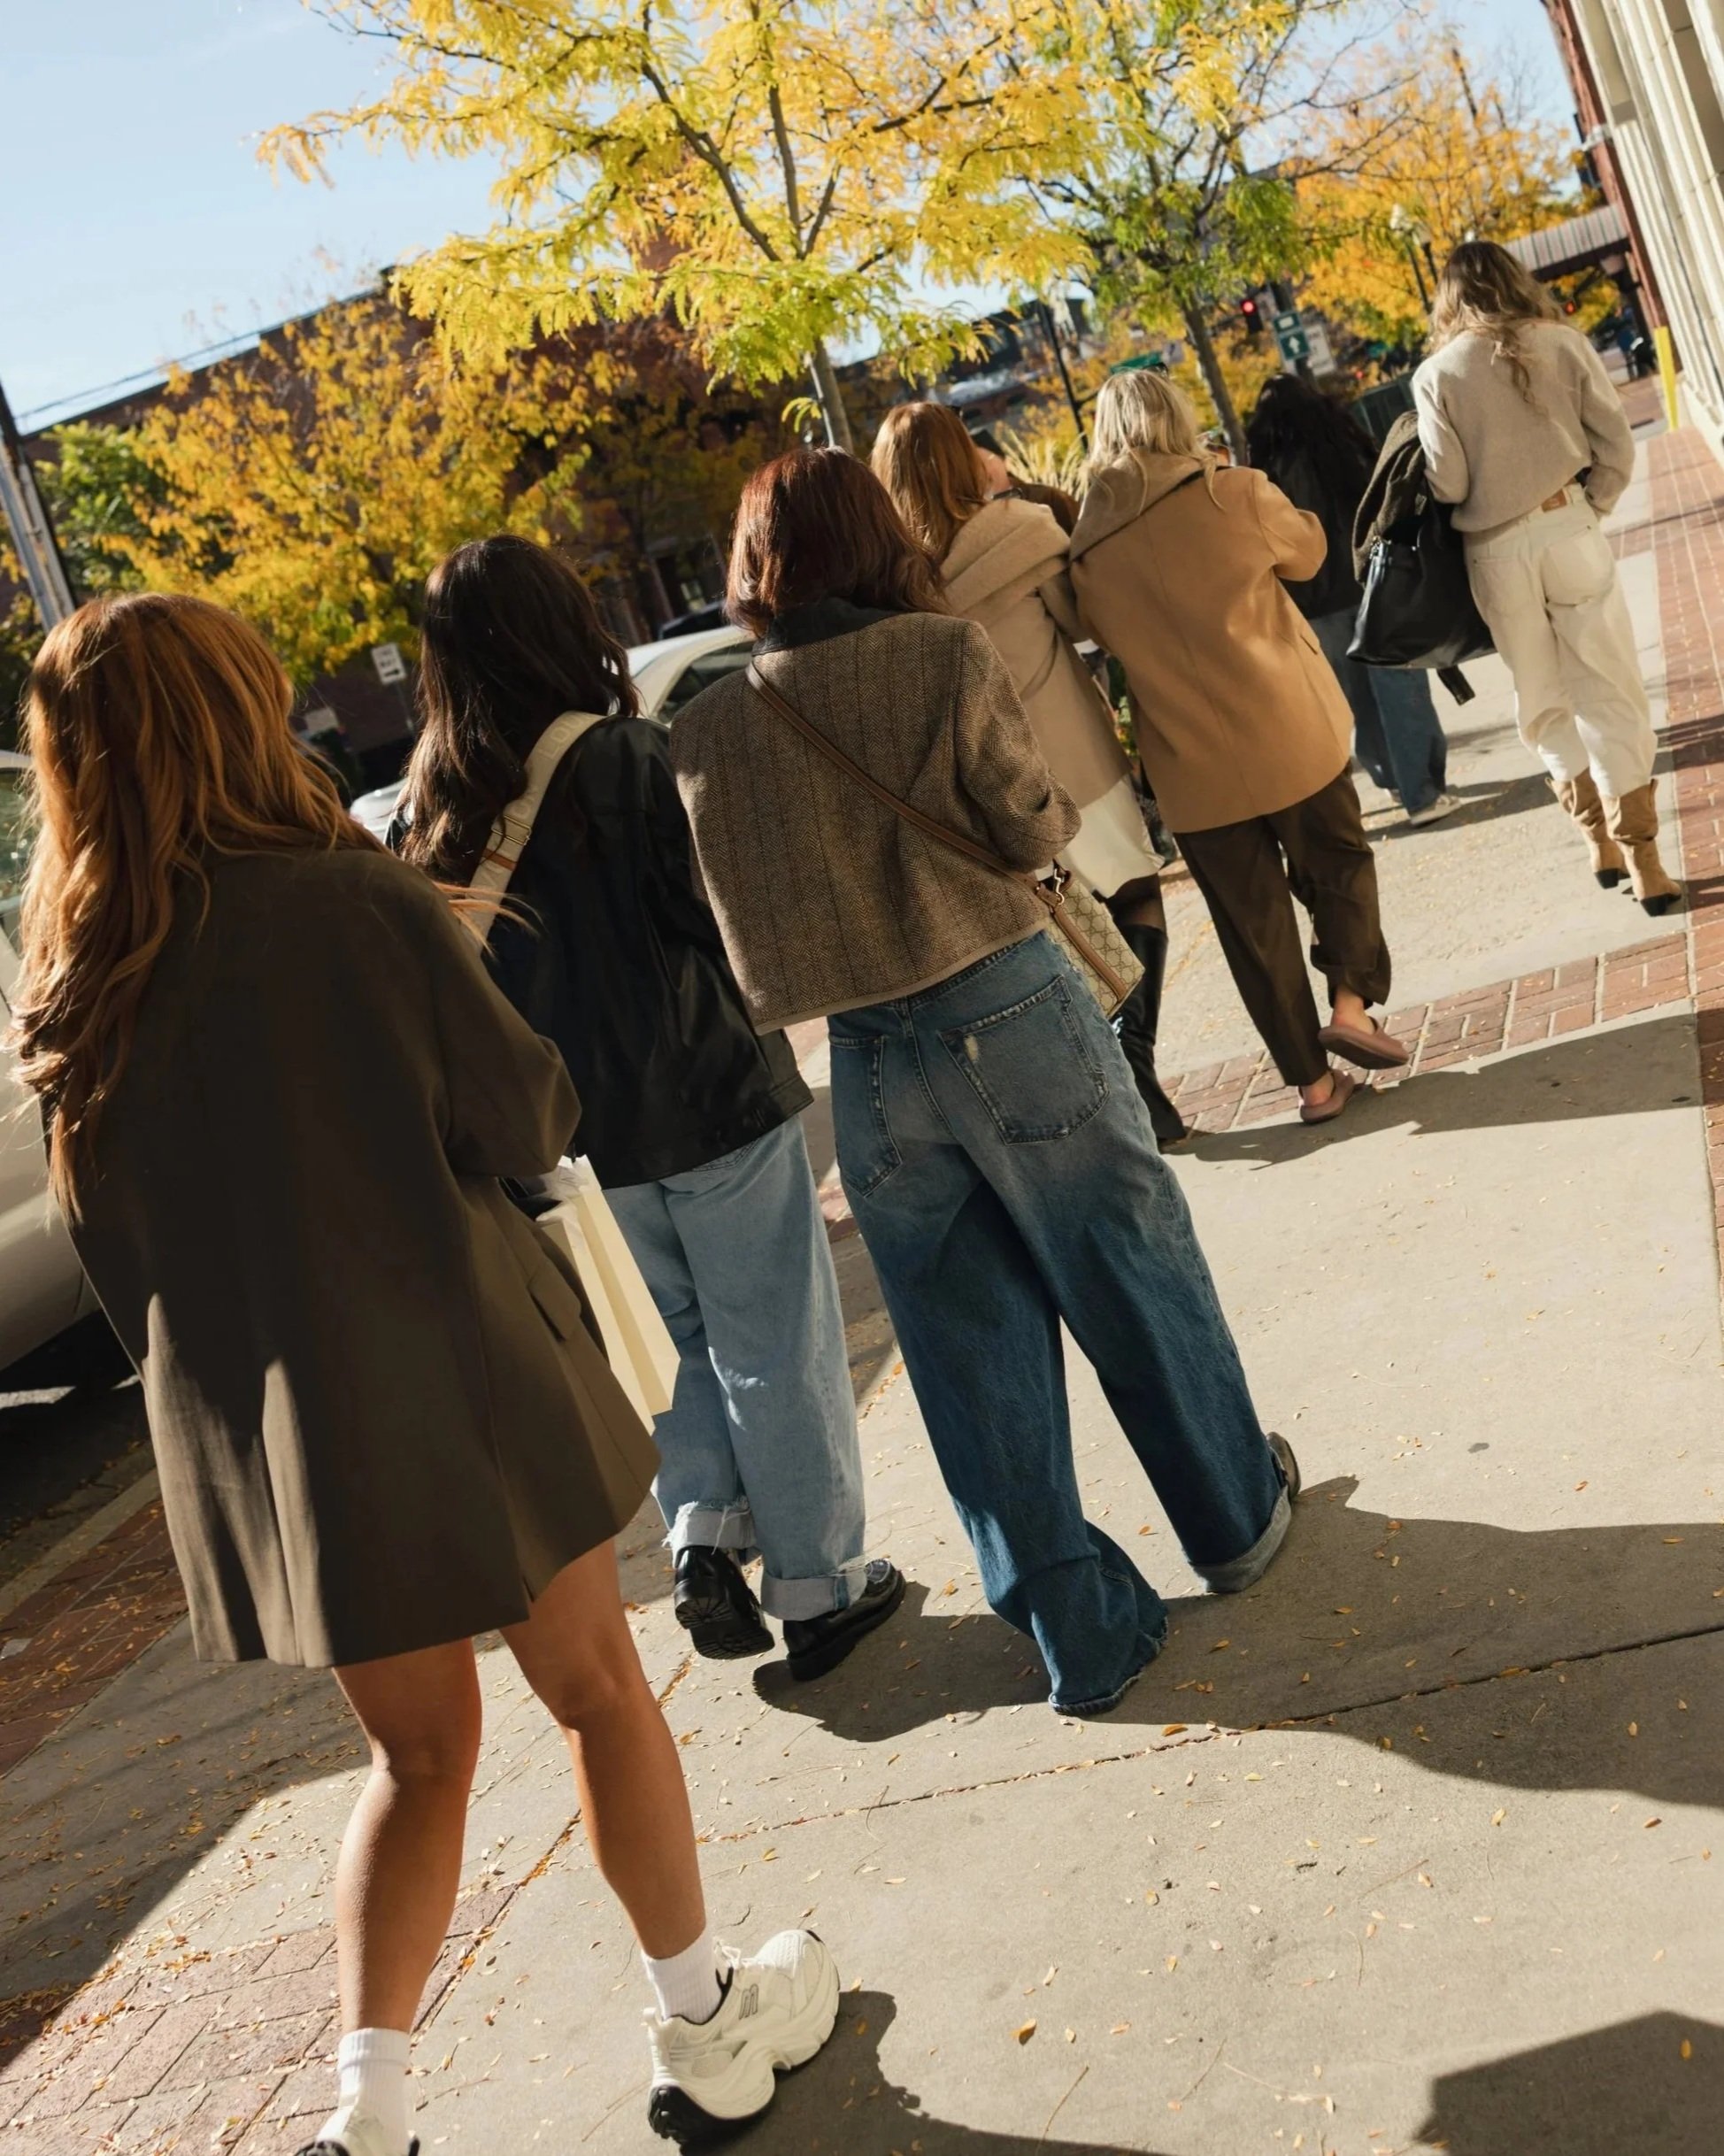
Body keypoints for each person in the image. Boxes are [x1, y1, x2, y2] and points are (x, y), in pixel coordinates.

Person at [7, 593, 840, 2156]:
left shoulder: (78, 991)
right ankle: (705, 2022)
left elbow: (117, 1259)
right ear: (238, 709)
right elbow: (524, 1115)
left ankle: (369, 2111)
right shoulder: (344, 900)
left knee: (412, 1756)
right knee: (596, 1696)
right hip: (465, 1373)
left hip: (286, 1440)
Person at [669, 448, 1298, 1720]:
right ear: (874, 538)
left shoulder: (707, 728)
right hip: (1007, 1002)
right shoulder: (937, 654)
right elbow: (1030, 829)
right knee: (1131, 1264)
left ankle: (1080, 1630)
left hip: (866, 1058)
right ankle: (1234, 1519)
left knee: (966, 1350)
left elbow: (749, 941)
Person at [397, 534, 903, 1679]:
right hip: (712, 1096)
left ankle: (701, 1535)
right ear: (559, 627)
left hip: (568, 1145)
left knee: (661, 1351)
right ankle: (820, 1585)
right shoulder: (629, 759)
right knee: (773, 1340)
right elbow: (715, 922)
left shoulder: (435, 812)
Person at [1069, 368, 1408, 1128]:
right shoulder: (1233, 493)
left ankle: (1314, 1086)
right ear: (1175, 419)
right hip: (1287, 729)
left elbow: (1088, 628)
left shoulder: (1087, 550)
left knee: (1253, 930)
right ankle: (1352, 1005)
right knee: (1340, 864)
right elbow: (1311, 556)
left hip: (1191, 769)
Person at [871, 399, 1186, 1147]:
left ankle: (1114, 1080)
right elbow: (1087, 623)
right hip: (1075, 757)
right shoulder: (1021, 533)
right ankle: (1135, 1062)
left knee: (1055, 932)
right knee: (1136, 895)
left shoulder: (890, 580)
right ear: (965, 457)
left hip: (984, 787)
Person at [1413, 239, 1681, 912]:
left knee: (1541, 697)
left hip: (1495, 551)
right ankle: (1646, 861)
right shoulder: (1561, 342)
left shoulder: (1437, 375)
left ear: (1449, 299)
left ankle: (1598, 841)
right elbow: (1614, 440)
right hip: (1569, 524)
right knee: (1611, 688)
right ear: (1514, 280)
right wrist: (1593, 504)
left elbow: (1447, 484)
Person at [1245, 373, 1458, 828]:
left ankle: (1396, 780)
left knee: (1358, 702)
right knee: (1401, 688)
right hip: (1371, 587)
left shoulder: (1263, 475)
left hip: (1313, 602)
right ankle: (1422, 790)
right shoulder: (1344, 448)